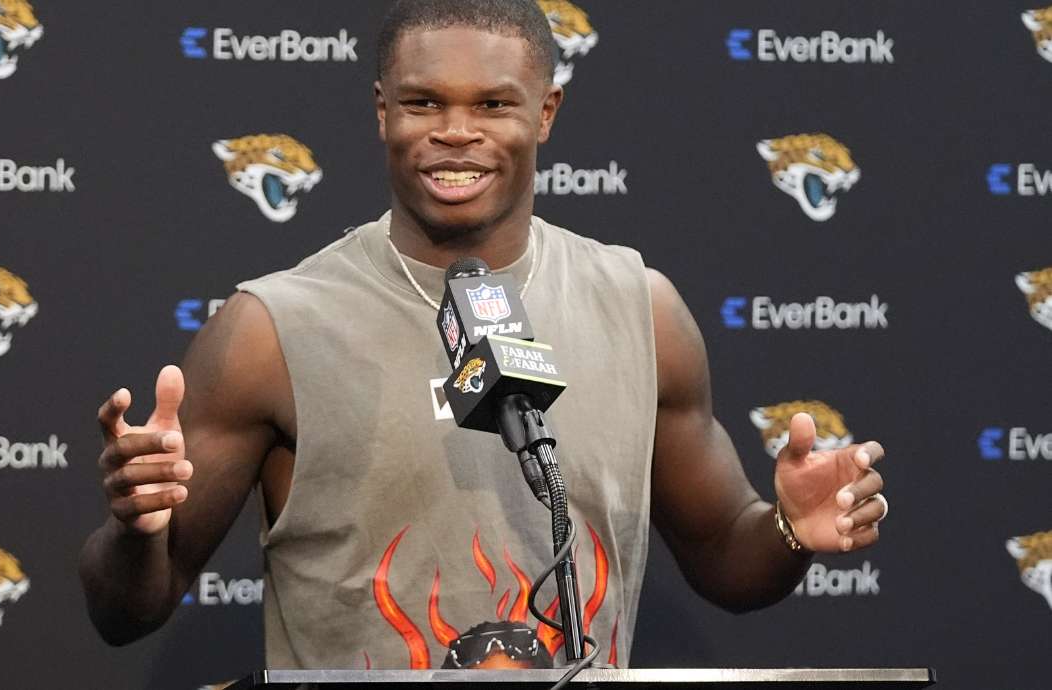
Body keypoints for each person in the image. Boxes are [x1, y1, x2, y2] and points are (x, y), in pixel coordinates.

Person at [79, 0, 888, 671]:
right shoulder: (269, 330)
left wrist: (790, 530)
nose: (455, 132)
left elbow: (724, 558)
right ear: (382, 111)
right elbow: (127, 611)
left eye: (492, 104)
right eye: (424, 102)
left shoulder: (643, 312)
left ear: (546, 113)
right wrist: (134, 530)